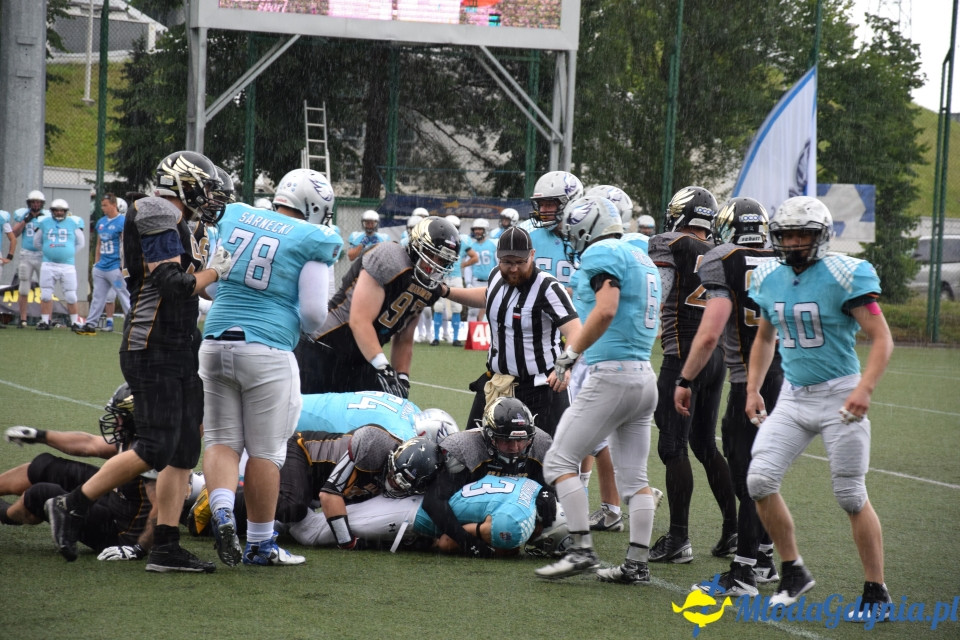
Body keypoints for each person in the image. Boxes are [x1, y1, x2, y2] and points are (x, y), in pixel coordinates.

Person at [46, 150, 232, 573]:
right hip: (153, 345)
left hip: (180, 345)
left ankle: (165, 546)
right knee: (155, 446)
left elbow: (188, 286)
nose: (209, 196)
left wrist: (211, 272)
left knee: (185, 448)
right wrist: (214, 272)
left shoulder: (177, 218)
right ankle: (71, 504)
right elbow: (172, 284)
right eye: (203, 186)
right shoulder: (156, 209)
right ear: (183, 183)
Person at [745, 196, 894, 621]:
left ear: (821, 237)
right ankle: (793, 570)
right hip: (793, 395)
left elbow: (881, 338)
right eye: (787, 234)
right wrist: (753, 388)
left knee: (850, 494)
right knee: (759, 479)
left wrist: (864, 389)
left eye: (802, 235)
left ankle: (876, 590)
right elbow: (764, 337)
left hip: (840, 395)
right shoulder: (769, 275)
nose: (793, 243)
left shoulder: (845, 274)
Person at [200, 167, 342, 568]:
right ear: (316, 206)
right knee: (266, 450)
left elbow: (212, 285)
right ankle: (260, 543)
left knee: (221, 442)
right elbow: (315, 313)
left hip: (214, 341)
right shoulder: (313, 236)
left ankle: (224, 511)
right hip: (267, 348)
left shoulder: (237, 214)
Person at [534, 196, 661, 584]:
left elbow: (606, 309)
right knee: (636, 479)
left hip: (612, 375)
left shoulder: (603, 251)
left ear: (586, 228)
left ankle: (581, 550)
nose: (570, 240)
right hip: (644, 375)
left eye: (573, 232)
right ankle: (637, 563)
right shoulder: (641, 256)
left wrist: (570, 354)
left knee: (558, 461)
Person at [673, 198, 782, 596]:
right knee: (762, 470)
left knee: (747, 472)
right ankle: (766, 555)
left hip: (747, 379)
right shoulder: (783, 258)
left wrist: (685, 377)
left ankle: (744, 569)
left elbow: (709, 333)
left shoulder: (724, 258)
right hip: (785, 375)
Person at [647, 185, 738, 564]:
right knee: (704, 444)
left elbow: (658, 293)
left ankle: (679, 538)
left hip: (682, 354)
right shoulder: (720, 252)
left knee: (673, 446)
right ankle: (733, 530)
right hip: (716, 355)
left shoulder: (669, 243)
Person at [296, 216, 460, 395]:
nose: (434, 264)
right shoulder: (390, 257)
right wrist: (384, 368)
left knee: (376, 416)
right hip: (324, 346)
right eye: (430, 255)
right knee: (306, 418)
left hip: (361, 359)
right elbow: (360, 321)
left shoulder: (429, 287)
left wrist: (402, 378)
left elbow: (404, 339)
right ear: (416, 245)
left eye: (442, 261)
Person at [443, 226, 580, 437]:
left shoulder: (548, 288)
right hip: (497, 383)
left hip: (541, 389)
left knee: (550, 461)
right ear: (498, 259)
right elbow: (488, 296)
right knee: (470, 451)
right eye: (507, 262)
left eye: (520, 262)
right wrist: (447, 292)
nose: (513, 269)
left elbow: (575, 331)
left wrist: (564, 366)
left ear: (532, 255)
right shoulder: (497, 275)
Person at [0, 385, 156, 559]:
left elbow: (161, 507)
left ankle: (4, 514)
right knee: (46, 466)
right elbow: (89, 444)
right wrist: (40, 435)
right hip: (117, 501)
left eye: (120, 416)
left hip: (122, 533)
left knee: (41, 493)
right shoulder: (136, 438)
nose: (116, 421)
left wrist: (140, 547)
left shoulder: (156, 452)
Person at [422, 397, 555, 558]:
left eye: (520, 440)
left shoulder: (540, 443)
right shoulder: (467, 448)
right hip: (473, 513)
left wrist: (547, 493)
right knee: (446, 543)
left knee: (559, 518)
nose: (515, 448)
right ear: (489, 436)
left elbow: (558, 483)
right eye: (506, 440)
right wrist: (468, 542)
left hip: (510, 508)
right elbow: (434, 500)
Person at [275, 429, 441, 550]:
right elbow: (328, 496)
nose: (393, 484)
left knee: (297, 512)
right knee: (292, 507)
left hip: (317, 483)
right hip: (300, 451)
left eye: (402, 485)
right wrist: (347, 541)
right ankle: (251, 497)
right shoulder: (373, 445)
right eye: (392, 475)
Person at [75, 193, 130, 335]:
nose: (103, 208)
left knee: (124, 295)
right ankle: (90, 324)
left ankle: (133, 324)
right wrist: (96, 264)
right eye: (102, 205)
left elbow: (126, 245)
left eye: (105, 205)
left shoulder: (122, 221)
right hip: (101, 268)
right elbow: (98, 245)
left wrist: (122, 265)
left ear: (113, 205)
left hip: (115, 267)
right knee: (98, 297)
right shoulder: (101, 222)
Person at [32, 199, 85, 330]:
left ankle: (74, 322)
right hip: (48, 264)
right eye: (57, 210)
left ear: (66, 211)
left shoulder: (73, 223)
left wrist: (68, 253)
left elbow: (81, 243)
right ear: (52, 211)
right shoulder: (44, 223)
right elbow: (36, 242)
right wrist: (48, 252)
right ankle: (45, 321)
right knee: (45, 294)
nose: (59, 212)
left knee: (71, 295)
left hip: (67, 265)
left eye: (62, 210)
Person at [527, 170, 583, 288]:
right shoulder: (528, 236)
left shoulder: (585, 238)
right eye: (540, 205)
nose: (542, 211)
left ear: (570, 204)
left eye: (549, 204)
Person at [432, 214, 476, 345]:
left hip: (455, 276)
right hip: (441, 275)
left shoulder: (463, 240)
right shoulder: (438, 239)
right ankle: (436, 337)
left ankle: (456, 338)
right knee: (438, 306)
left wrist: (462, 265)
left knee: (457, 307)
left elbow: (474, 257)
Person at [12, 191, 49, 327]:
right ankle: (23, 319)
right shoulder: (23, 214)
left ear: (42, 203)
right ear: (29, 203)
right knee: (23, 288)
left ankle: (46, 319)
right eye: (33, 202)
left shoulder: (47, 216)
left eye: (38, 202)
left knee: (46, 287)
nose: (36, 204)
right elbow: (13, 234)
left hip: (42, 255)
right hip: (26, 254)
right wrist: (25, 220)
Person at [465, 218, 497, 322]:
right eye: (475, 229)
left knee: (491, 309)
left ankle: (486, 333)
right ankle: (471, 335)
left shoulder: (493, 245)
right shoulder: (471, 247)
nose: (477, 231)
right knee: (472, 310)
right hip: (476, 281)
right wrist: (468, 282)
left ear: (485, 230)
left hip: (489, 282)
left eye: (480, 229)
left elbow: (498, 264)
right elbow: (468, 266)